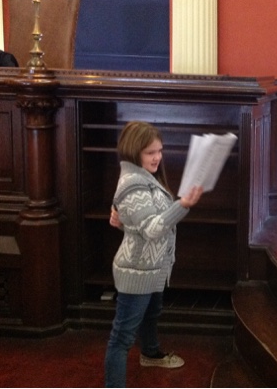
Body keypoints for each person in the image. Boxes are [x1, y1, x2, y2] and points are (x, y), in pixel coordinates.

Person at [104, 121, 203, 387]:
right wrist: (183, 205)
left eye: (159, 150)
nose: (157, 157)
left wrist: (122, 222)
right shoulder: (134, 183)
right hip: (136, 271)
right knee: (121, 338)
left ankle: (150, 353)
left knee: (151, 314)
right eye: (150, 152)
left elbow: (137, 221)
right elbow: (151, 229)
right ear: (133, 151)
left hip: (152, 267)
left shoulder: (145, 177)